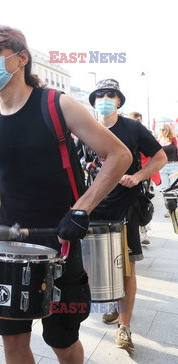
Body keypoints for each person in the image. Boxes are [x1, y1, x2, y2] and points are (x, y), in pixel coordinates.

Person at [0, 26, 132, 364]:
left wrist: (82, 210)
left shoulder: (57, 105)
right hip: (6, 243)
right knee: (12, 344)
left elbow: (120, 155)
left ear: (20, 57)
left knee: (63, 343)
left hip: (60, 241)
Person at [83, 79, 167, 351]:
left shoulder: (132, 127)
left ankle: (123, 326)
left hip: (125, 206)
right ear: (93, 100)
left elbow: (160, 157)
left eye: (111, 95)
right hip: (95, 207)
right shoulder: (86, 128)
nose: (105, 99)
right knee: (101, 264)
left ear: (119, 101)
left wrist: (139, 176)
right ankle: (111, 302)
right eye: (100, 95)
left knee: (126, 265)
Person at [128, 111, 157, 243]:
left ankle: (144, 232)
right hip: (129, 174)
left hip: (143, 174)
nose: (138, 122)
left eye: (140, 120)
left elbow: (156, 156)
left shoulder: (144, 134)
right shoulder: (126, 133)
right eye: (135, 119)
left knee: (142, 202)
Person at [157, 123, 178, 195]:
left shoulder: (174, 140)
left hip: (174, 165)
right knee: (166, 190)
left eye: (163, 129)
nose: (161, 131)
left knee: (174, 188)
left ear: (168, 130)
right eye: (160, 129)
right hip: (163, 166)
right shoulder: (158, 141)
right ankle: (169, 205)